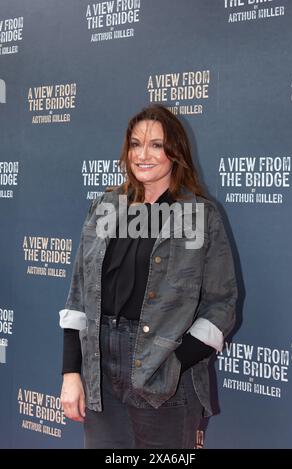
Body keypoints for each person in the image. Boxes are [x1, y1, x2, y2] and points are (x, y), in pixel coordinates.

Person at [59, 104, 237, 449]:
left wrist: (174, 363)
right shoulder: (105, 206)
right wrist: (71, 373)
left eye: (156, 145)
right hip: (101, 368)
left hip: (163, 370)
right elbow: (79, 296)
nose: (143, 154)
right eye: (135, 143)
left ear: (175, 152)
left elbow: (221, 304)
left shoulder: (200, 215)